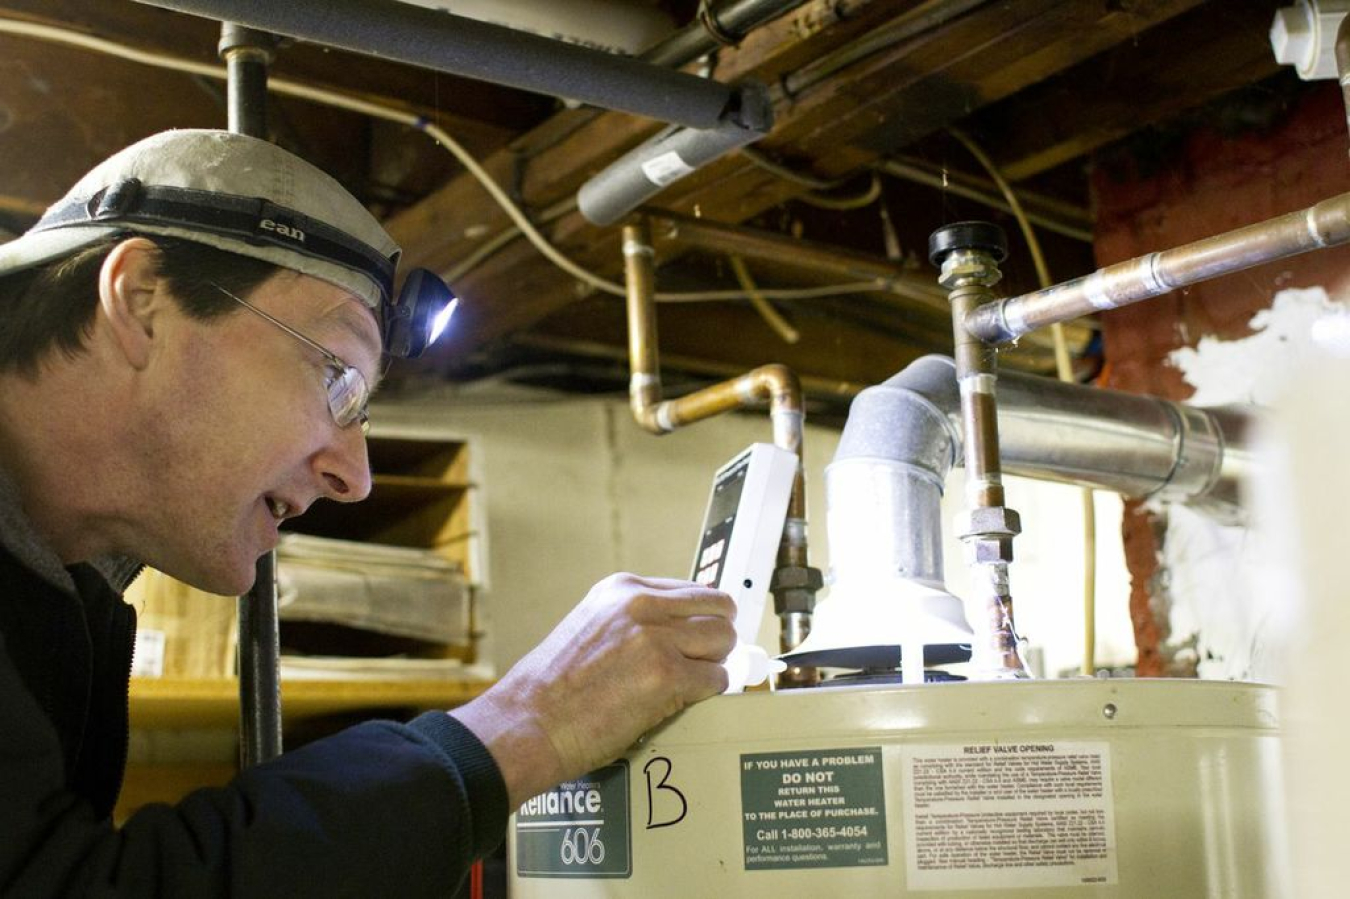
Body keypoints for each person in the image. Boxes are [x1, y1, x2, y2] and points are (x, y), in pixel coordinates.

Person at [0, 129, 736, 896]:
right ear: (143, 299)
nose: (355, 476)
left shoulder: (47, 599)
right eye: (339, 379)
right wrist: (529, 725)